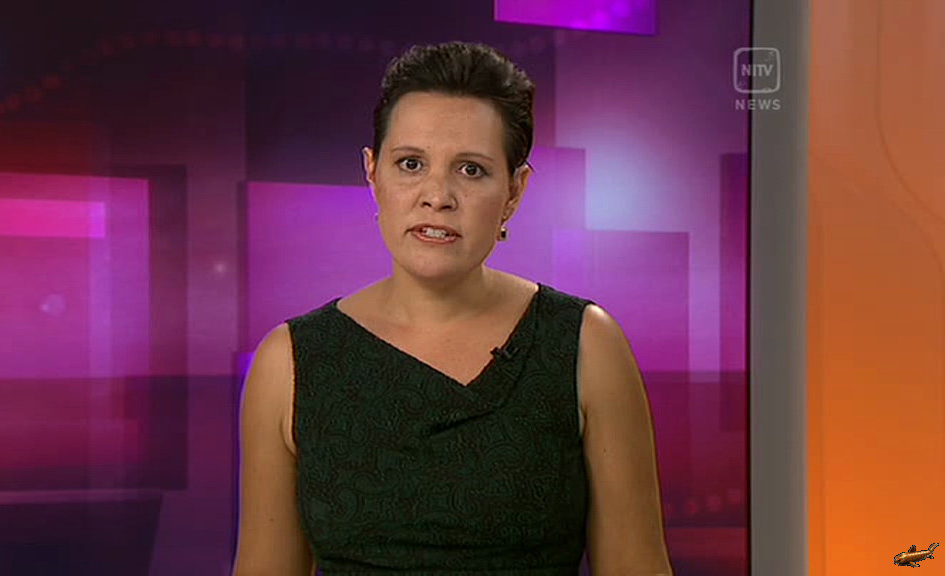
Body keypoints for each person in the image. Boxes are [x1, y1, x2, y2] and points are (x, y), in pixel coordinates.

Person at [233, 41, 672, 575]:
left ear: (514, 191)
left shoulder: (583, 343)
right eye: (411, 164)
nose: (437, 195)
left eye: (471, 170)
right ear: (372, 173)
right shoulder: (291, 361)